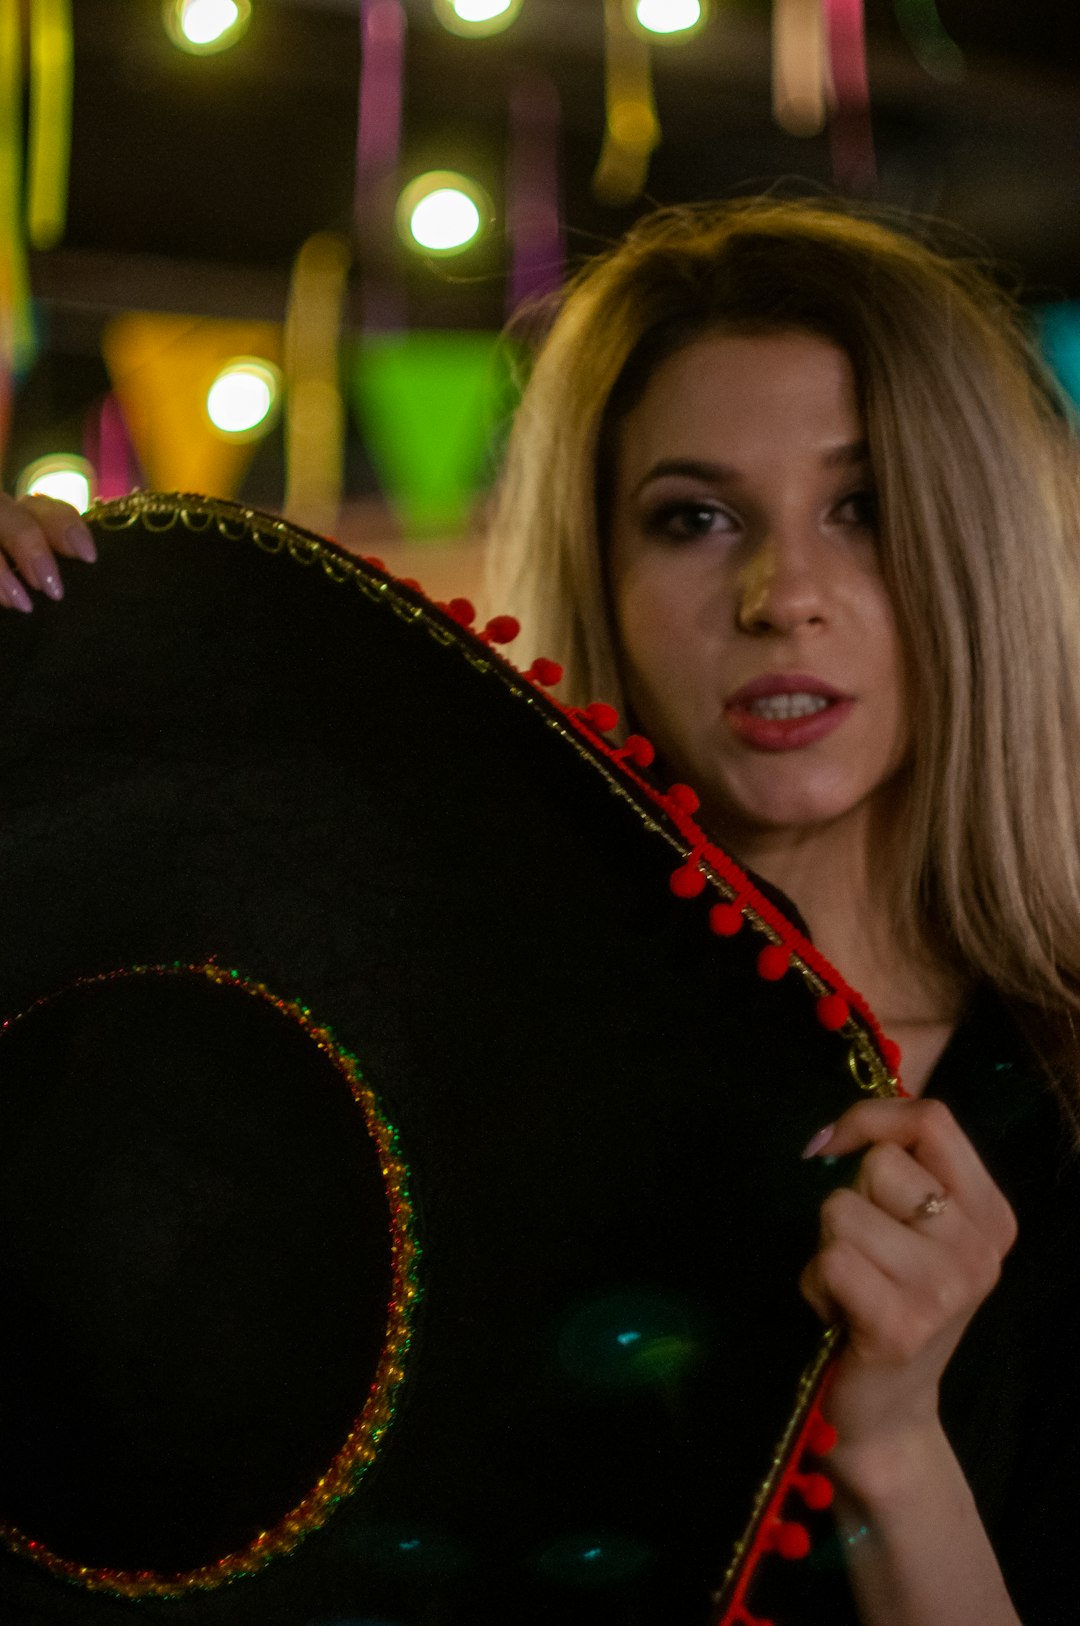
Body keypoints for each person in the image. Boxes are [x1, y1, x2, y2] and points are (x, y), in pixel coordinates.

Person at [4, 196, 1080, 1626]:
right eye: (694, 518)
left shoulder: (1058, 1101)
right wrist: (48, 685)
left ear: (977, 548)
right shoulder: (419, 1049)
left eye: (862, 507)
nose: (781, 595)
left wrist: (887, 1443)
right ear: (603, 569)